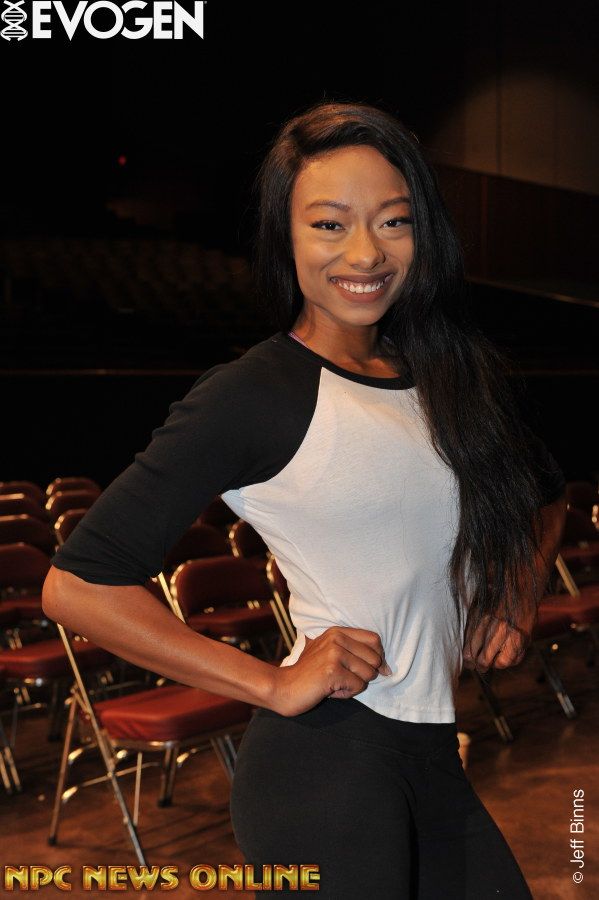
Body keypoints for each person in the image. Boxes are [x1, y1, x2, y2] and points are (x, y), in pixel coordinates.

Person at [43, 100, 567, 899]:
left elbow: (544, 496)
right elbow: (77, 584)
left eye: (393, 221)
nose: (365, 252)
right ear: (284, 238)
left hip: (430, 751)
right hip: (327, 762)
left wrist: (514, 599)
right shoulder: (254, 393)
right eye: (329, 224)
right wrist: (271, 683)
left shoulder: (449, 377)